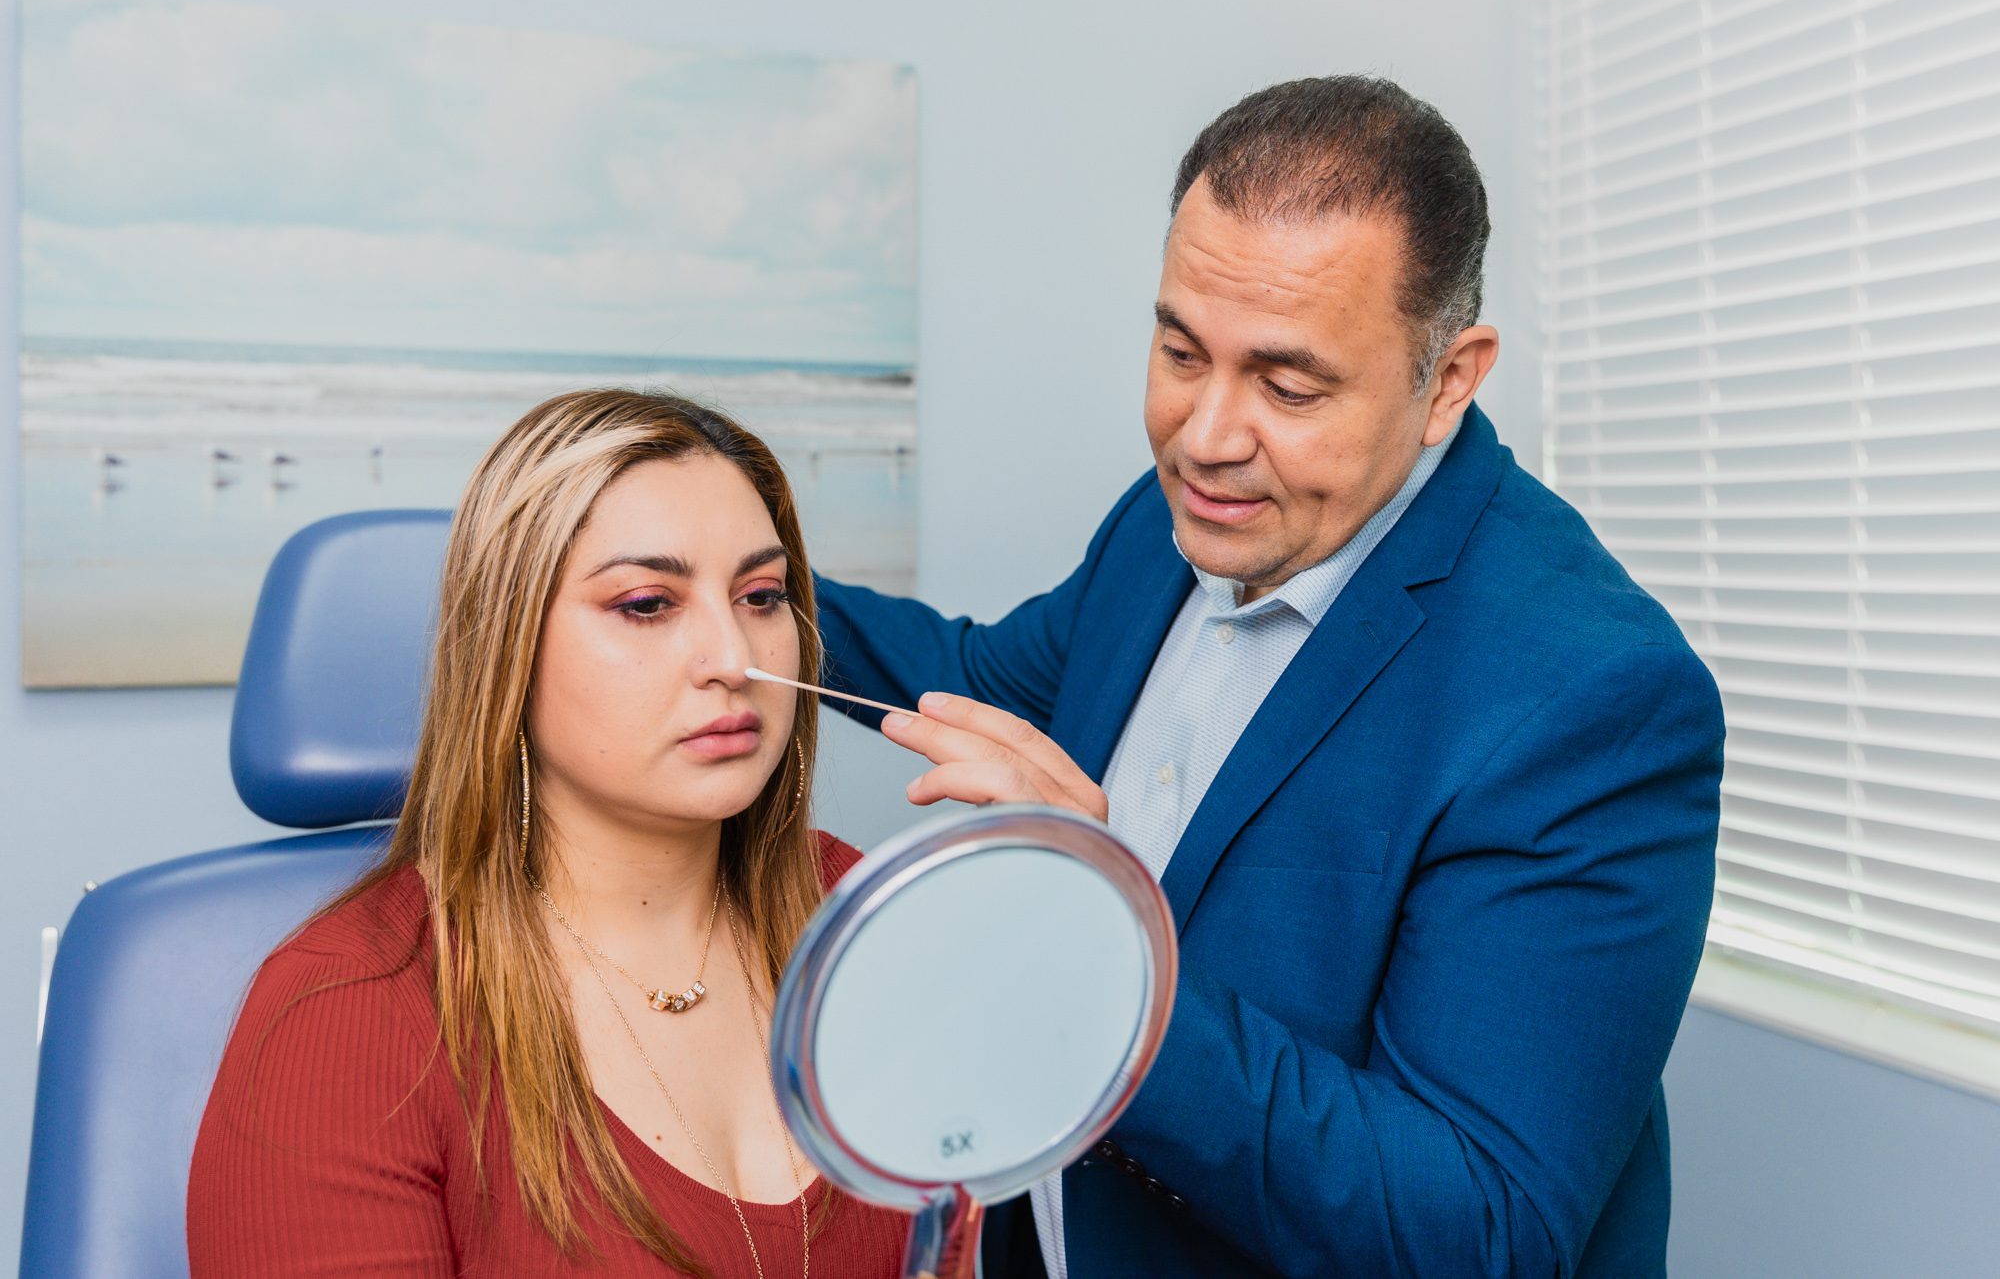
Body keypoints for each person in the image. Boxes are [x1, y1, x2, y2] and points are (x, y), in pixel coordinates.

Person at [813, 76, 1725, 1277]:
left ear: (1448, 378)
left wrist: (1097, 937)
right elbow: (975, 681)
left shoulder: (1590, 700)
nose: (1204, 433)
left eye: (1288, 387)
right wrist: (728, 584)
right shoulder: (1175, 521)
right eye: (1179, 350)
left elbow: (1477, 1229)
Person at [188, 390, 909, 1277]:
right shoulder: (352, 1012)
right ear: (508, 646)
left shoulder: (873, 915)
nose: (733, 657)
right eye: (647, 603)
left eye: (761, 596)